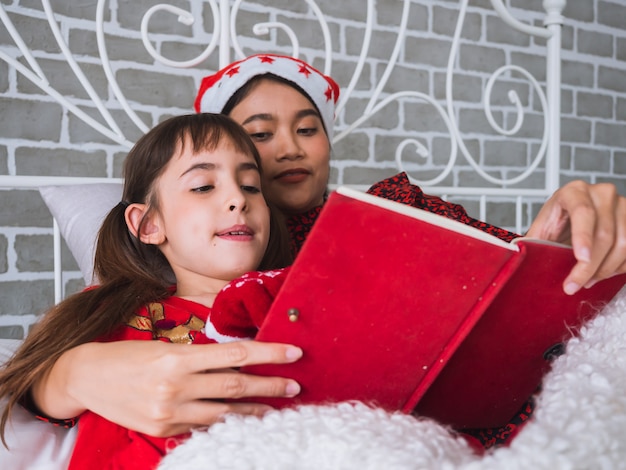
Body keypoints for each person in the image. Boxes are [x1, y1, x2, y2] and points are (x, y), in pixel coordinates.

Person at [14, 54, 626, 450]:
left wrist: (564, 239)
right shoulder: (132, 303)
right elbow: (33, 372)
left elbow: (506, 269)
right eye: (258, 138)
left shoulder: (386, 210)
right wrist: (69, 373)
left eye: (307, 128)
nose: (287, 149)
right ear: (149, 223)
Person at [0, 113, 298, 467]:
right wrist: (66, 374)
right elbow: (28, 386)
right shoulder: (119, 312)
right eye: (204, 186)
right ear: (148, 224)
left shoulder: (297, 300)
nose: (238, 198)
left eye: (251, 185)